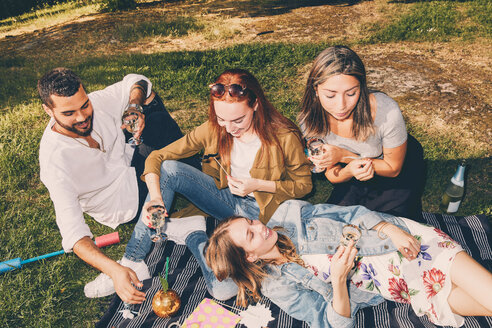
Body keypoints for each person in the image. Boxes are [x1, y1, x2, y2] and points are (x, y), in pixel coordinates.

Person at [130, 68, 312, 300]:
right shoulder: (214, 129)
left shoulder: (284, 136)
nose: (229, 128)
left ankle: (194, 235)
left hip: (263, 218)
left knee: (223, 289)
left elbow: (304, 185)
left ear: (255, 105)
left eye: (238, 120)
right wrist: (155, 197)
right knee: (170, 169)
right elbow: (158, 158)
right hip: (225, 200)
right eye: (221, 118)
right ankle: (133, 258)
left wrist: (257, 184)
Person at [38, 68, 198, 304]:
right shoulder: (55, 162)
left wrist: (134, 107)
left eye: (84, 105)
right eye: (69, 113)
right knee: (165, 173)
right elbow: (74, 236)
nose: (82, 117)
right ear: (48, 110)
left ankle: (198, 175)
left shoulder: (97, 103)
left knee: (156, 116)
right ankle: (133, 259)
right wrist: (113, 270)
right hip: (122, 201)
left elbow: (138, 80)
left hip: (130, 158)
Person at [205, 200, 492, 328]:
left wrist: (390, 230)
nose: (261, 226)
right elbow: (332, 324)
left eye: (252, 221)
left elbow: (353, 213)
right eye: (251, 235)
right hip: (399, 284)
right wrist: (339, 281)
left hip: (402, 241)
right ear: (249, 257)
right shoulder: (278, 287)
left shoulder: (291, 213)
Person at [298, 45, 425, 221]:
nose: (341, 105)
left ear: (362, 87)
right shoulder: (309, 121)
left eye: (351, 93)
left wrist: (343, 156)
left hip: (396, 173)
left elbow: (393, 169)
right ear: (315, 90)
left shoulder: (386, 110)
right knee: (333, 222)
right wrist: (348, 170)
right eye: (330, 95)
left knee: (396, 225)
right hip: (353, 174)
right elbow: (333, 175)